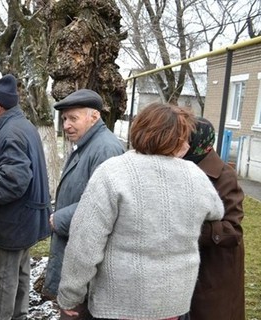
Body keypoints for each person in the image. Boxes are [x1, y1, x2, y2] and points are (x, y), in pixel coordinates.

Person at [56, 103, 224, 320]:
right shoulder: (194, 175)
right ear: (179, 138)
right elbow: (217, 210)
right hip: (172, 304)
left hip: (118, 305)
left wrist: (70, 294)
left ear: (139, 130)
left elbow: (85, 243)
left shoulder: (112, 172)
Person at [42, 89, 124, 302]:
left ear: (94, 116)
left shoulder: (105, 149)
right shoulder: (88, 144)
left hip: (86, 261)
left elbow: (106, 204)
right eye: (65, 119)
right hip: (77, 249)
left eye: (73, 118)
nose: (66, 125)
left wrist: (61, 217)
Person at [0, 74, 51, 320]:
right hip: (29, 216)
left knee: (4, 276)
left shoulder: (10, 133)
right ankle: (18, 316)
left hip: (16, 218)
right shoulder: (23, 126)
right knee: (21, 271)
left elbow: (14, 180)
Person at [183, 117, 245, 320]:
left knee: (210, 311)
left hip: (214, 268)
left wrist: (185, 227)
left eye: (184, 137)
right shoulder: (182, 166)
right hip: (188, 266)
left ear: (197, 140)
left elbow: (232, 229)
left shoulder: (224, 175)